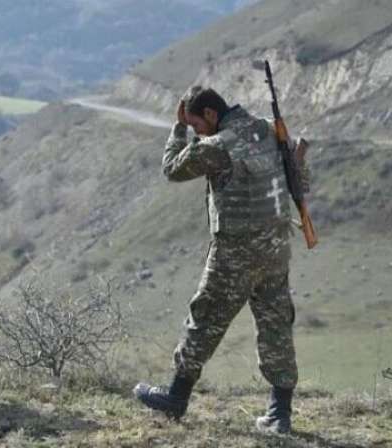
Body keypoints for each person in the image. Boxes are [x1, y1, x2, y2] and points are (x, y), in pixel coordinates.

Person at [134, 86, 299, 434]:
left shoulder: (218, 145)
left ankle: (176, 398)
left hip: (236, 253)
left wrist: (178, 128)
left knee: (205, 319)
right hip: (275, 248)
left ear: (210, 114)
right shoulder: (267, 129)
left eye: (197, 125)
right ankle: (280, 413)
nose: (197, 132)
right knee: (276, 325)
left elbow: (172, 168)